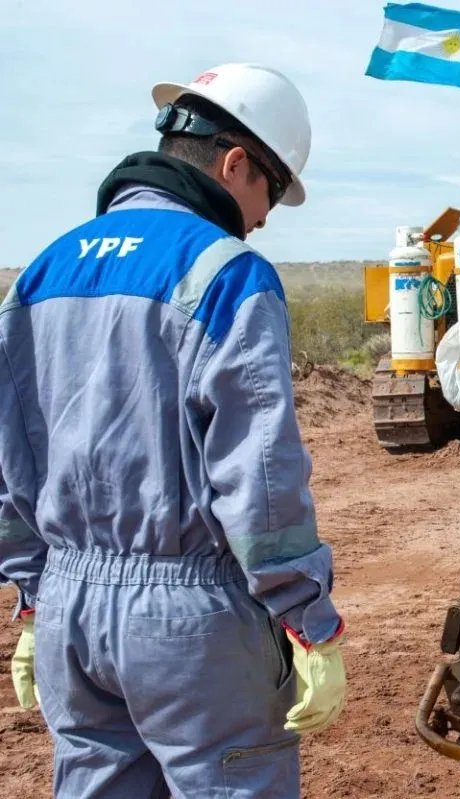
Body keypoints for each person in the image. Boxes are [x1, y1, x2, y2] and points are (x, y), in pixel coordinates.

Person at [1, 64, 346, 798]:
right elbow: (259, 474)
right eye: (269, 196)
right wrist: (306, 613)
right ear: (234, 164)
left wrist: (33, 593)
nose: (260, 220)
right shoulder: (225, 274)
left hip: (70, 615)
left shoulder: (39, 274)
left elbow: (12, 461)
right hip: (192, 625)